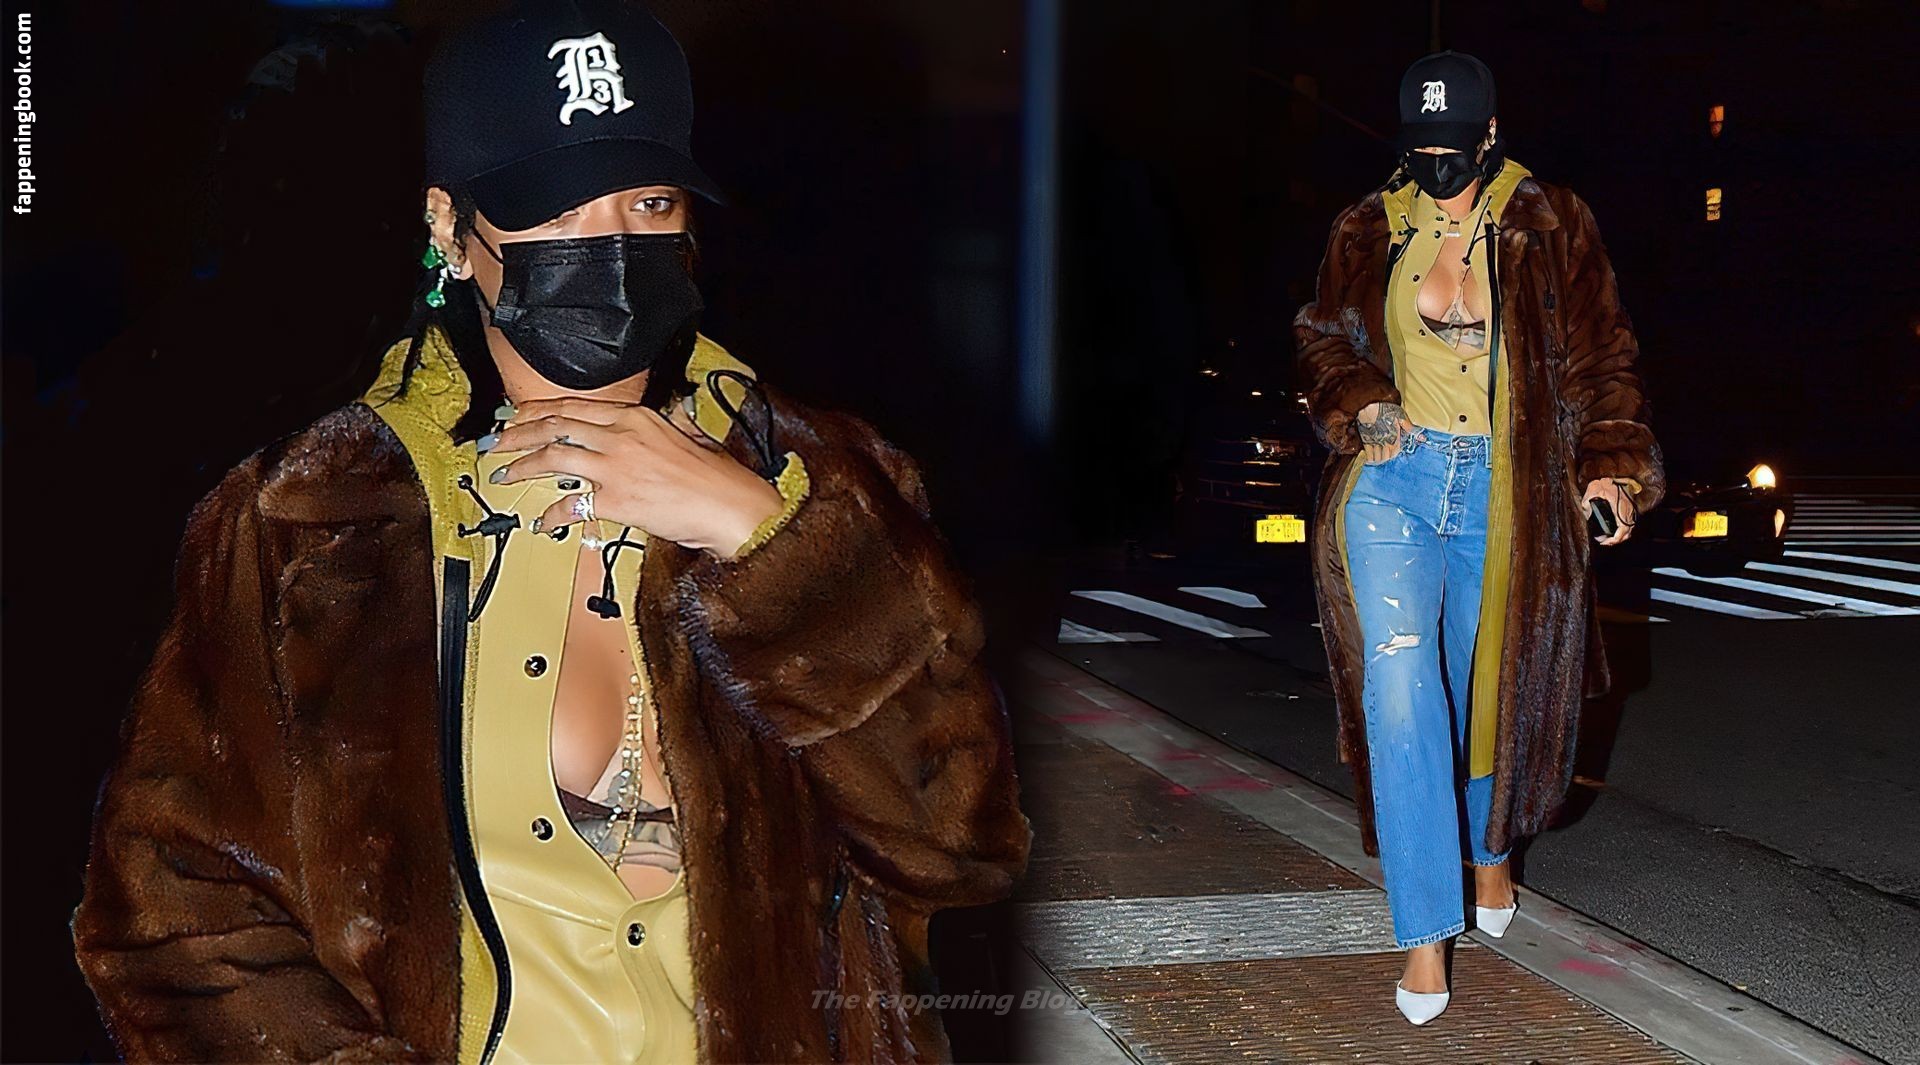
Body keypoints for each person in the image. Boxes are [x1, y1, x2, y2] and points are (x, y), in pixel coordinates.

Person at [69, 2, 1032, 1061]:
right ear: (450, 229)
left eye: (649, 201)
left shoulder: (825, 482)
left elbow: (958, 849)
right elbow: (175, 924)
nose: (611, 247)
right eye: (556, 209)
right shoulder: (307, 522)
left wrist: (766, 543)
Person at [1294, 50, 1663, 1026]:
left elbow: (1602, 357)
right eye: (1421, 152)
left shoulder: (1552, 222)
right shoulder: (1367, 226)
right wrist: (1362, 402)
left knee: (1488, 689)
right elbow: (1322, 338)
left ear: (1491, 135)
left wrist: (1610, 466)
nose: (1438, 169)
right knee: (1402, 687)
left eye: (1454, 150)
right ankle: (1425, 933)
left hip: (1507, 486)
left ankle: (1491, 847)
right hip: (1394, 485)